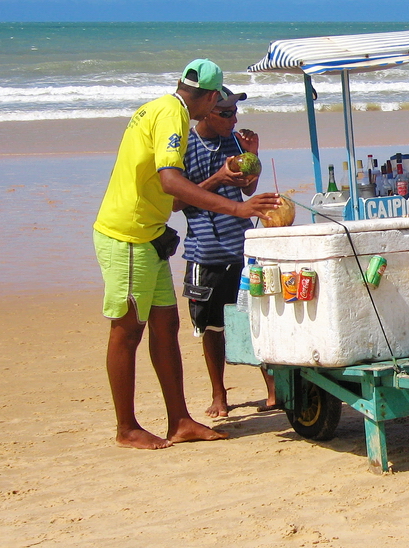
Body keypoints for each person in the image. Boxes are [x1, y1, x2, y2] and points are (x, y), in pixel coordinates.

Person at [92, 59, 281, 450]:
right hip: (127, 234)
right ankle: (126, 428)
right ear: (210, 98)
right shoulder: (173, 116)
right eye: (222, 106)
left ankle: (179, 420)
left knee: (166, 326)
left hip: (151, 235)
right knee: (128, 331)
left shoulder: (163, 108)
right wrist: (238, 208)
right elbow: (171, 181)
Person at [179, 87, 277, 418]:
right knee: (211, 326)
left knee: (255, 316)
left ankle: (272, 389)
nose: (234, 120)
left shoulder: (234, 141)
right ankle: (218, 394)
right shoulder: (185, 146)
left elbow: (246, 188)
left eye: (235, 113)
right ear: (206, 110)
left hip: (241, 244)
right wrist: (217, 177)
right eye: (226, 114)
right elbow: (177, 201)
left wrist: (254, 158)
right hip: (204, 249)